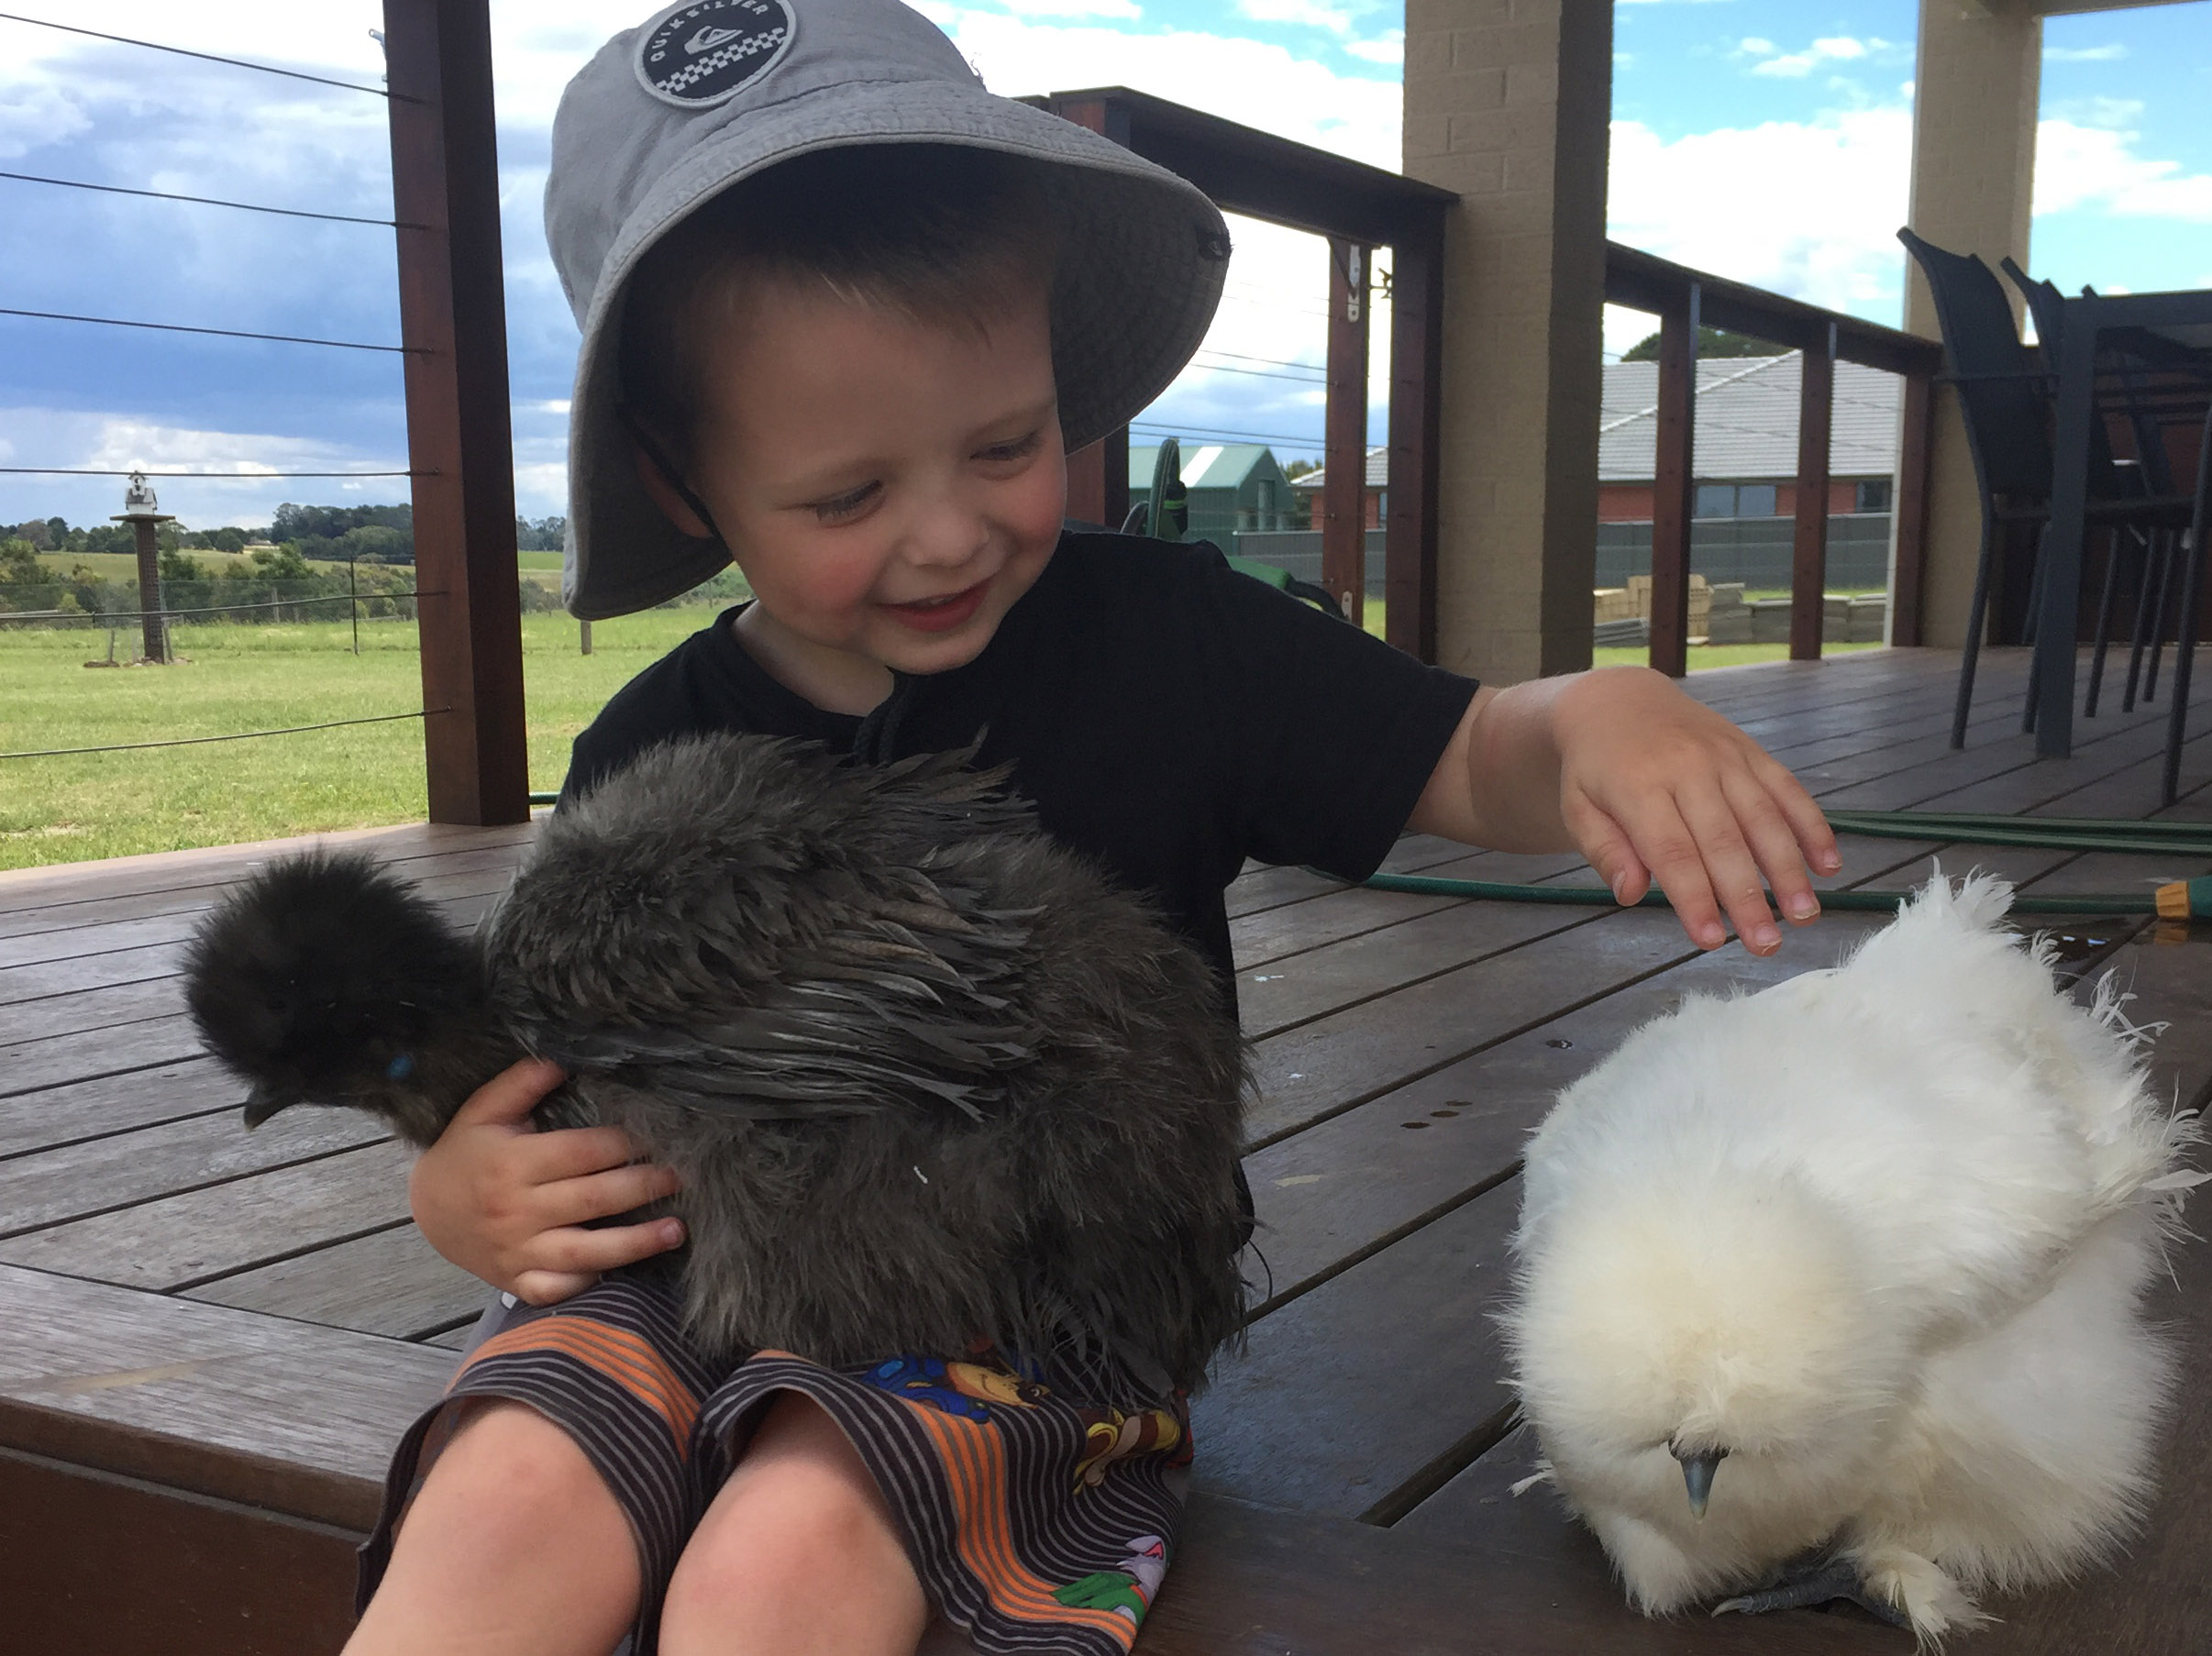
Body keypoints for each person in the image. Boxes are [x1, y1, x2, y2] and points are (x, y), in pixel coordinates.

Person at [347, 4, 1840, 1654]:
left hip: (1021, 1300)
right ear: (686, 482)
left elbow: (1465, 753)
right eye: (845, 498)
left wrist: (1586, 716)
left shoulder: (1171, 640)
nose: (947, 534)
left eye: (1008, 445)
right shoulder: (649, 746)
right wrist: (465, 1191)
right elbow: (544, 1084)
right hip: (694, 1262)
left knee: (787, 1550)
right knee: (504, 1487)